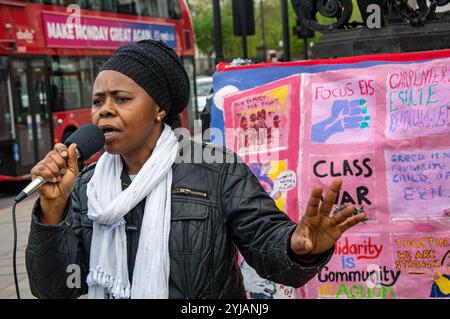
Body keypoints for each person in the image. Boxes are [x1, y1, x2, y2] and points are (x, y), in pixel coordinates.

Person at [25, 39, 366, 299]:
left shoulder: (218, 171)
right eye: (98, 101)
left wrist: (299, 247)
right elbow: (54, 289)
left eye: (121, 99)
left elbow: (268, 248)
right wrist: (52, 212)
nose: (104, 112)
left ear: (159, 108)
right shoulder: (86, 186)